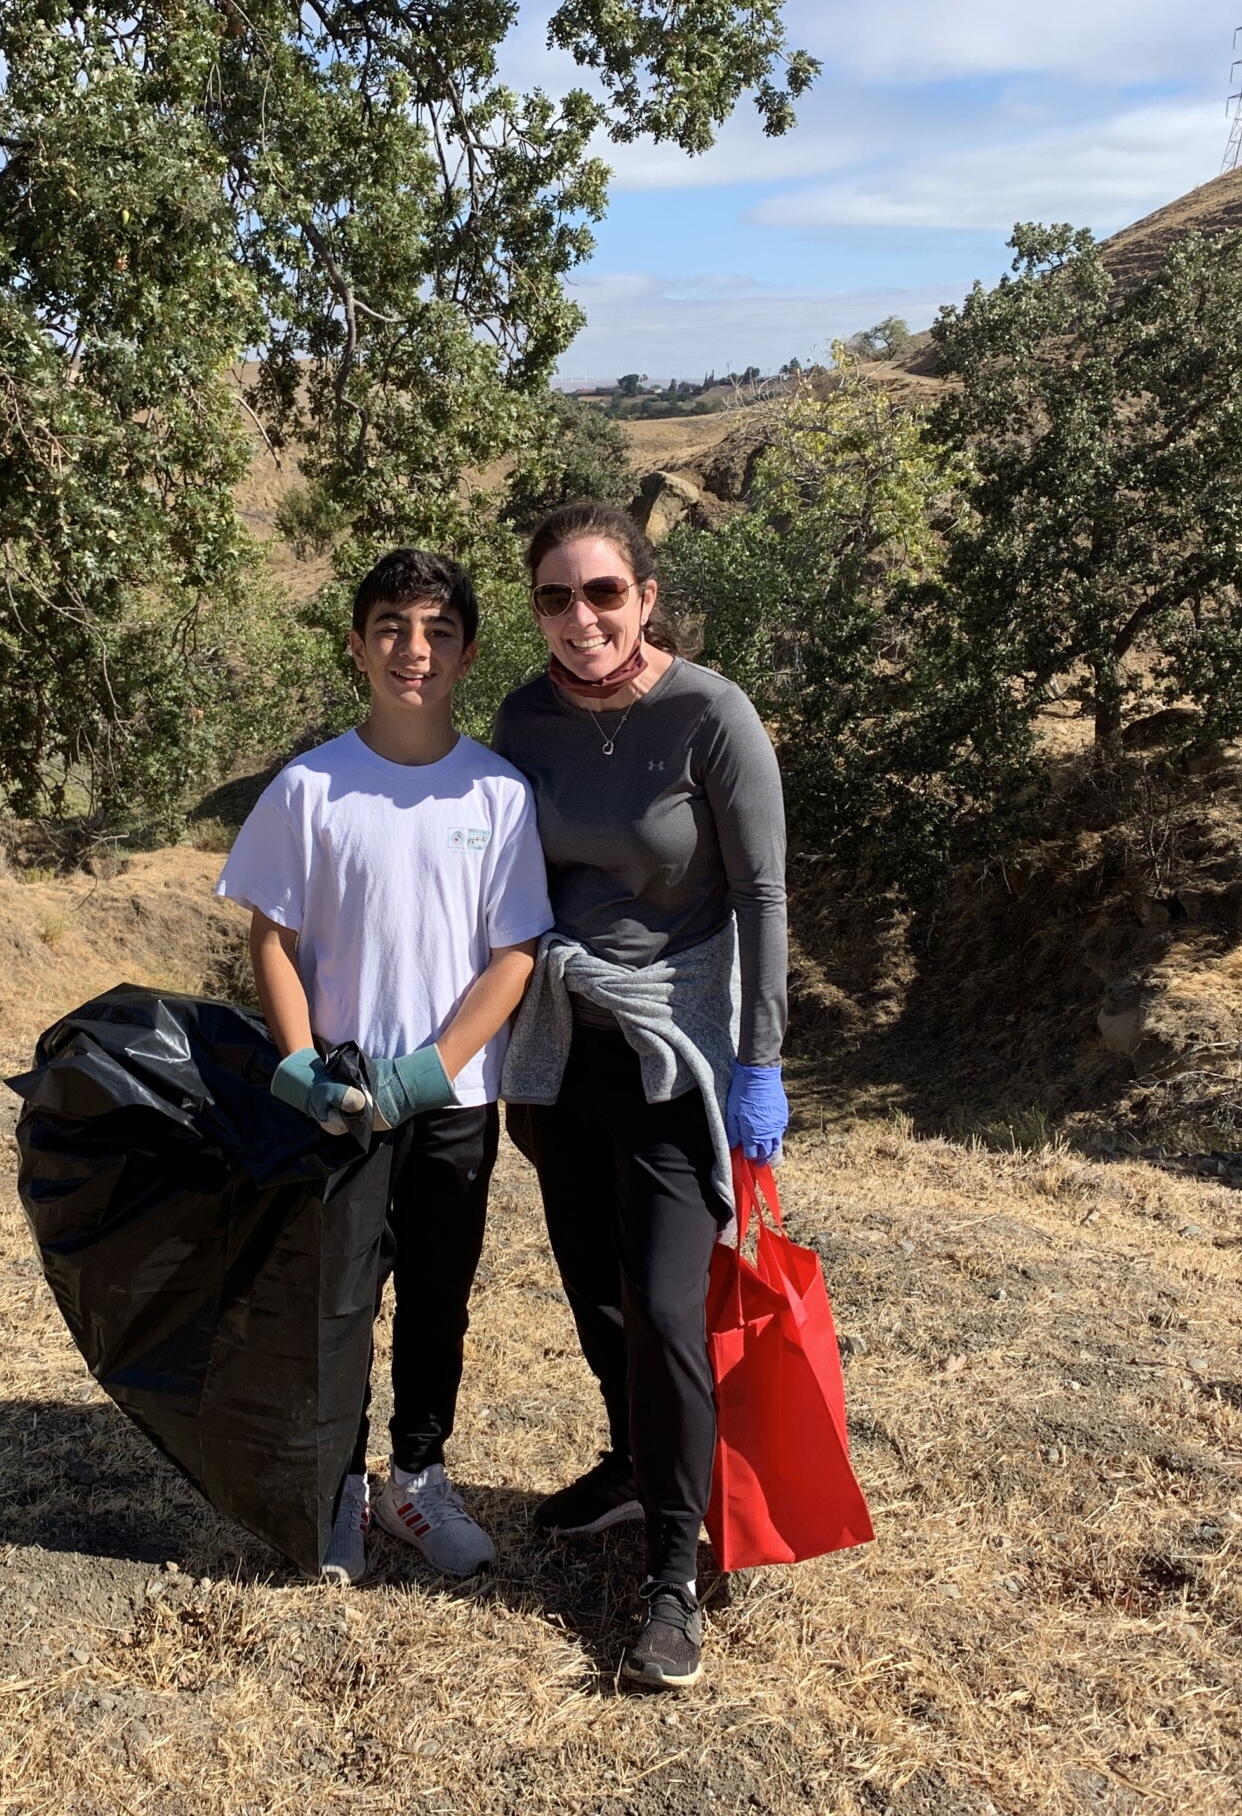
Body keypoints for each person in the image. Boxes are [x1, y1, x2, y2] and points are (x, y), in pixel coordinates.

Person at [491, 500, 790, 1692]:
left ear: (646, 597)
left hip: (679, 1049)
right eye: (556, 599)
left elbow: (763, 895)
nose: (581, 620)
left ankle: (677, 1566)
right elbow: (499, 876)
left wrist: (759, 1060)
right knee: (595, 1286)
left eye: (603, 593)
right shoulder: (522, 717)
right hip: (564, 1047)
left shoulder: (708, 714)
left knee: (668, 1310)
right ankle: (630, 1462)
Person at [215, 547, 553, 1584]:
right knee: (336, 1298)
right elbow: (270, 934)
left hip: (448, 1100)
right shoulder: (310, 787)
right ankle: (336, 1492)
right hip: (340, 1101)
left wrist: (434, 1069)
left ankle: (418, 1478)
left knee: (438, 1296)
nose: (416, 651)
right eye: (394, 630)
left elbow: (516, 953)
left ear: (468, 655)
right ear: (358, 646)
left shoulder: (496, 794)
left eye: (439, 632)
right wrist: (300, 1067)